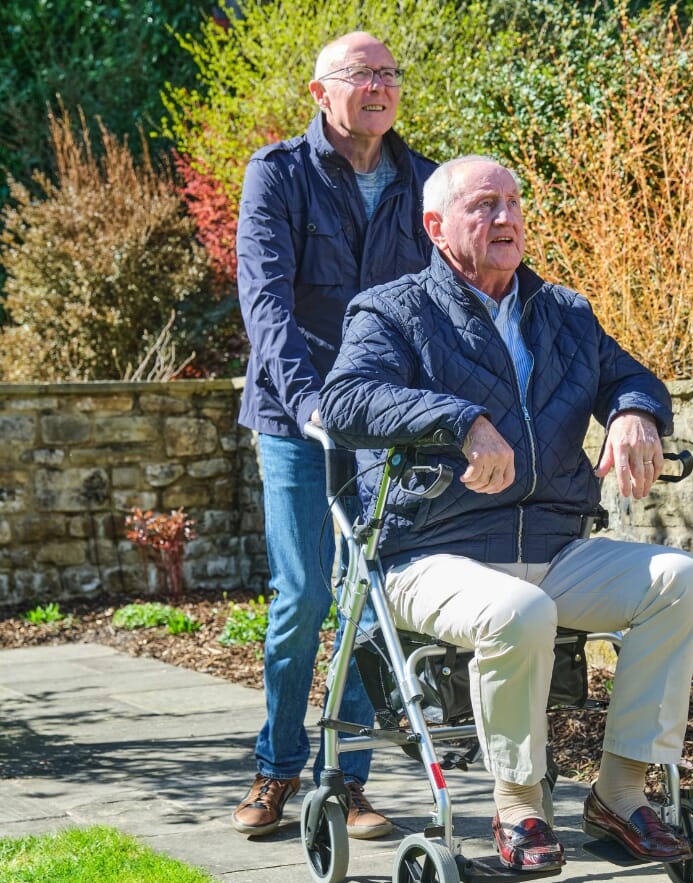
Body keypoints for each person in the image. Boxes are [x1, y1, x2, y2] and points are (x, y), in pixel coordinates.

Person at [318, 155, 693, 871]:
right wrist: (458, 419)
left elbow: (631, 376)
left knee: (679, 579)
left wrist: (634, 412)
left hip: (556, 546)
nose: (505, 218)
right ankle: (519, 806)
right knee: (518, 611)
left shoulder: (564, 311)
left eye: (512, 203)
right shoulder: (390, 310)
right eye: (484, 206)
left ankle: (620, 794)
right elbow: (345, 402)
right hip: (429, 552)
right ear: (436, 228)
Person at [231, 31, 436, 839]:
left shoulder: (423, 180)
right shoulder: (276, 175)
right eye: (362, 75)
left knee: (370, 599)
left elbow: (437, 302)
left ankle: (348, 781)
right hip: (295, 419)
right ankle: (276, 769)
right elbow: (266, 303)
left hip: (383, 424)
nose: (380, 86)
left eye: (389, 73)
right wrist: (311, 403)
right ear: (322, 92)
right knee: (306, 598)